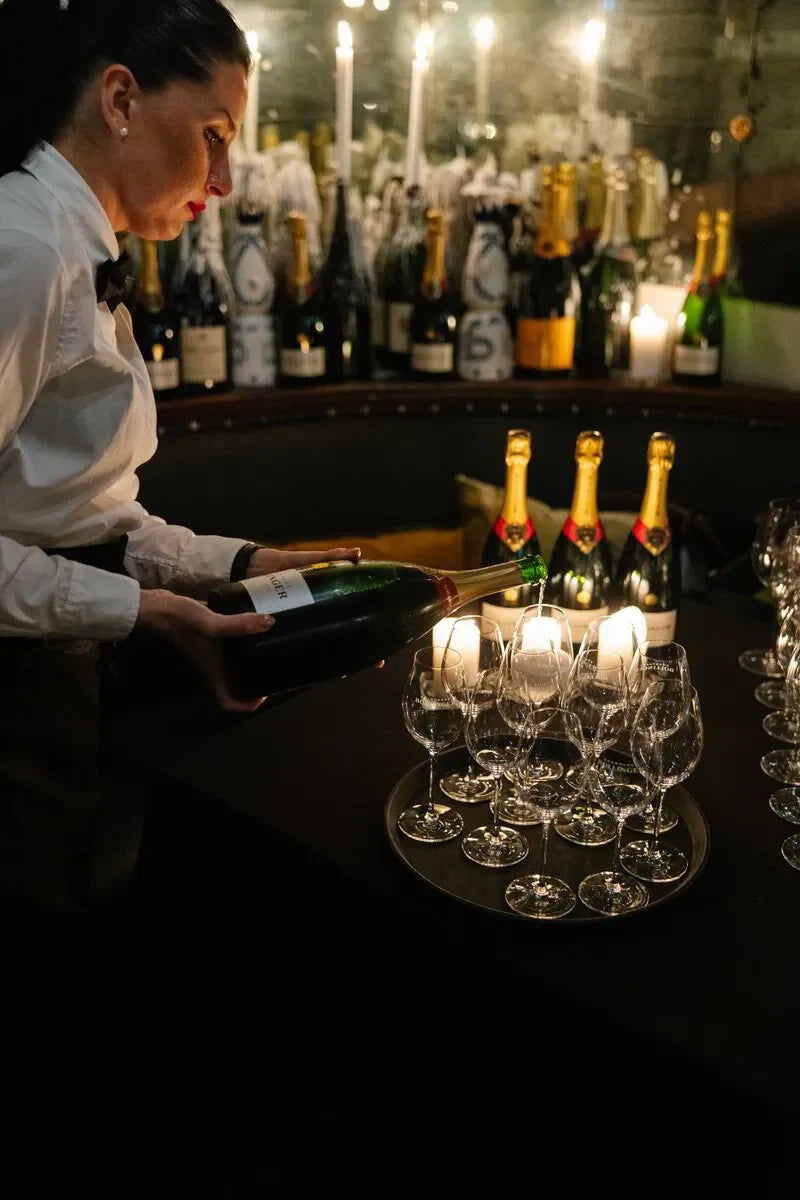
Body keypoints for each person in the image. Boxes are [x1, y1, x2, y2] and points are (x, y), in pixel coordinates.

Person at [0, 0, 358, 911]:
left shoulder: (74, 246)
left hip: (62, 670)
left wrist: (239, 566)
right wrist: (140, 609)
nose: (227, 178)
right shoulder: (26, 250)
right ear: (120, 98)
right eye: (214, 135)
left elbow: (79, 515)